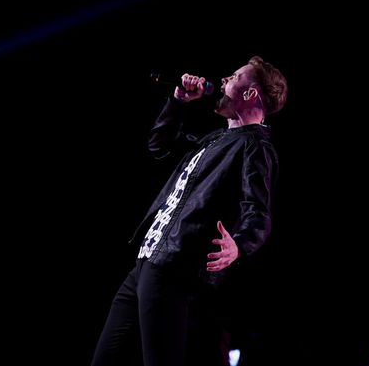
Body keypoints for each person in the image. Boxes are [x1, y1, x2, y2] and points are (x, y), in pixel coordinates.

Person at [91, 56, 288, 366]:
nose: (223, 80)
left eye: (234, 76)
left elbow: (258, 213)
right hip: (147, 260)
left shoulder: (255, 146)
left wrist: (239, 246)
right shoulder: (216, 139)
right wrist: (178, 102)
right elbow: (159, 145)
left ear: (250, 93)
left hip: (173, 268)